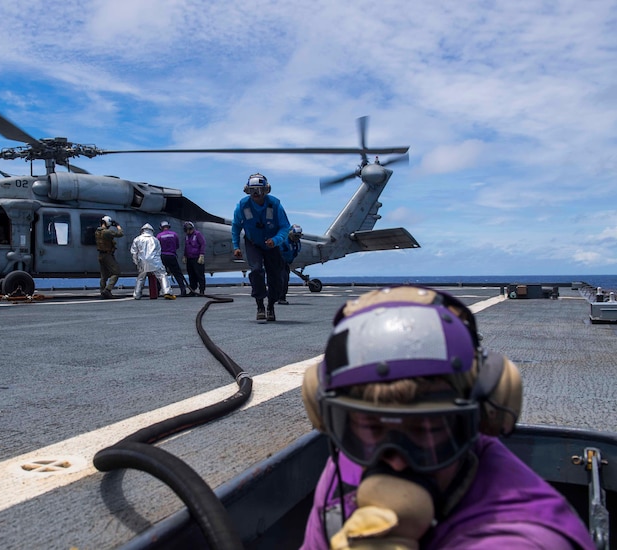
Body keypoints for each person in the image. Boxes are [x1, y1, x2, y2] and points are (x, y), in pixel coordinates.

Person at [300, 285, 595, 550]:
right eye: (372, 426)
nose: (397, 460)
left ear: (479, 419)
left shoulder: (525, 537)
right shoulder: (347, 462)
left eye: (426, 427)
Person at [231, 173, 290, 322]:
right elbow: (236, 227)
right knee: (256, 270)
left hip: (271, 244)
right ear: (247, 191)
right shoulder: (242, 206)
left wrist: (276, 240)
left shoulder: (275, 205)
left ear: (266, 190)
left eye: (259, 190)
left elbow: (285, 227)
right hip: (253, 243)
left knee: (276, 277)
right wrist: (236, 246)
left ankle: (270, 306)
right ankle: (260, 306)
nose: (256, 194)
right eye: (252, 191)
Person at [130, 223, 177, 300]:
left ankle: (137, 294)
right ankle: (167, 292)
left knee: (141, 278)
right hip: (155, 261)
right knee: (162, 275)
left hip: (142, 262)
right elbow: (158, 252)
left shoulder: (137, 239)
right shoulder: (155, 239)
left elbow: (134, 252)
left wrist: (136, 263)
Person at [156, 220, 190, 297]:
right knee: (178, 274)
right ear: (168, 227)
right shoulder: (174, 234)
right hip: (172, 256)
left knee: (161, 274)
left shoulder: (159, 236)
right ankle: (183, 290)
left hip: (163, 256)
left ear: (161, 228)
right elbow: (177, 246)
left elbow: (157, 248)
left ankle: (157, 291)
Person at [95, 215, 124, 299]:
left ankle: (102, 291)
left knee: (104, 275)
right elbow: (120, 234)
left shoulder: (97, 231)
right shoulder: (107, 232)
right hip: (107, 255)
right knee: (116, 272)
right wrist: (118, 226)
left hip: (101, 255)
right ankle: (107, 290)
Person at [278, 224, 302, 305]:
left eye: (298, 236)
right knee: (282, 278)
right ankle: (280, 297)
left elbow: (295, 253)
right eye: (295, 236)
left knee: (285, 279)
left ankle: (281, 296)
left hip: (287, 263)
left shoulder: (297, 243)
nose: (296, 238)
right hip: (279, 262)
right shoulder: (283, 241)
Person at [183, 221, 207, 297]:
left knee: (199, 275)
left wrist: (201, 255)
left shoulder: (197, 234)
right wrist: (184, 256)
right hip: (189, 258)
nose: (188, 231)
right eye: (186, 230)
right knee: (191, 275)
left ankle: (201, 290)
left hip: (197, 258)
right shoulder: (187, 236)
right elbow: (186, 247)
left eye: (189, 229)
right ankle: (193, 290)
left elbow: (203, 243)